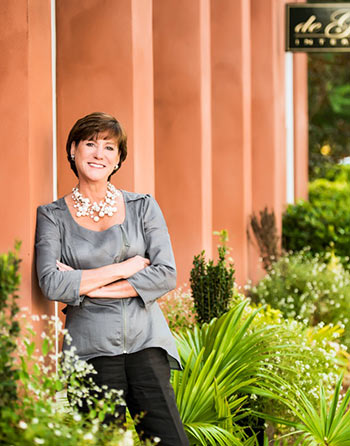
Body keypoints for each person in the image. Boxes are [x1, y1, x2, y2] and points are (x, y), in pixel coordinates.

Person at [35, 112, 189, 445]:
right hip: (91, 350)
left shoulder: (143, 207)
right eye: (90, 144)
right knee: (98, 441)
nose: (98, 154)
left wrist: (88, 286)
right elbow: (50, 283)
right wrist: (125, 267)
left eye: (109, 147)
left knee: (170, 440)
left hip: (146, 343)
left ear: (118, 159)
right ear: (73, 150)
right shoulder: (51, 216)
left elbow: (165, 274)